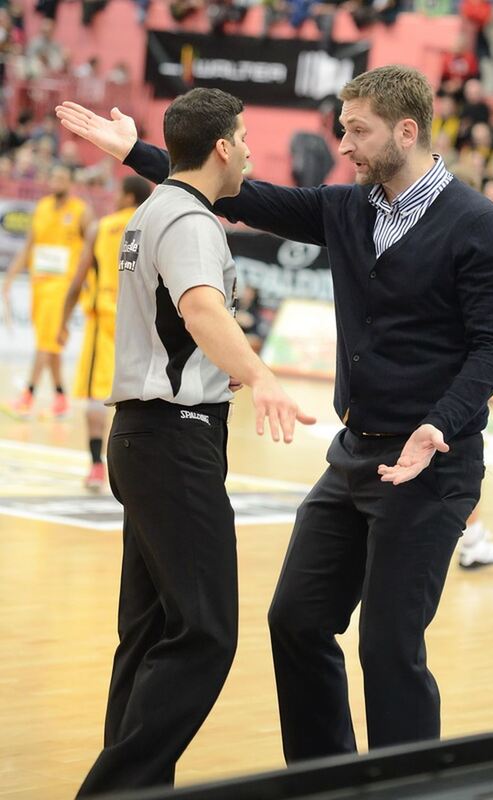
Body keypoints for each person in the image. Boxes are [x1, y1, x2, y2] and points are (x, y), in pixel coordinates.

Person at [56, 64, 493, 762]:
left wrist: (441, 423)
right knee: (296, 621)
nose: (344, 143)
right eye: (342, 128)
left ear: (407, 129)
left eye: (357, 130)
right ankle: (325, 774)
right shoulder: (349, 208)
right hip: (353, 456)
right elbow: (248, 199)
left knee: (390, 647)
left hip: (431, 465)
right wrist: (141, 155)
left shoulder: (481, 228)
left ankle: (410, 784)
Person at [58, 87, 315, 796]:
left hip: (143, 439)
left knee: (147, 635)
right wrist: (260, 374)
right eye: (247, 140)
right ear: (225, 147)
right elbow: (200, 307)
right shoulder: (193, 220)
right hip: (173, 441)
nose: (254, 154)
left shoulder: (152, 210)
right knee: (205, 632)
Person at [58, 175, 153, 490]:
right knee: (138, 397)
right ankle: (136, 467)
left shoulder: (102, 227)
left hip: (105, 322)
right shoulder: (153, 227)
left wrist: (62, 321)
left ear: (128, 197)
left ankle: (97, 466)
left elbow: (78, 278)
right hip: (142, 324)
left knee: (95, 397)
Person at [2, 164, 93, 418]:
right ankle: (61, 397)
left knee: (45, 341)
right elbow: (29, 246)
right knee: (50, 343)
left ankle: (28, 396)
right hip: (39, 286)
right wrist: (9, 278)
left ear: (71, 182)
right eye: (53, 176)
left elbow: (91, 248)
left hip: (63, 289)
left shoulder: (81, 212)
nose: (56, 180)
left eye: (62, 177)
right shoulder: (41, 208)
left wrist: (87, 281)